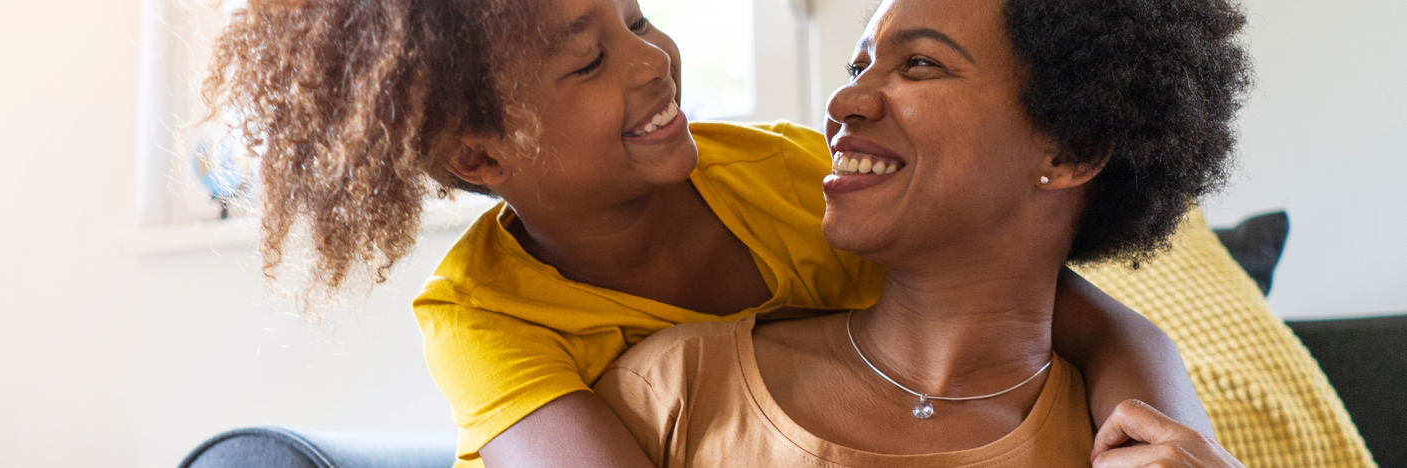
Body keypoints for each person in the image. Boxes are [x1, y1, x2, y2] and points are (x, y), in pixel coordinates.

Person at [203, 0, 1211, 466]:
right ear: (480, 157)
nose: (650, 61)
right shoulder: (484, 318)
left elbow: (1093, 324)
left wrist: (1170, 441)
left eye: (637, 20)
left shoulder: (785, 179)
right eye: (586, 62)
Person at [593, 0, 1252, 465]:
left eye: (918, 65)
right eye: (859, 67)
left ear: (1069, 151)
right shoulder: (676, 386)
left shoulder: (1137, 448)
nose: (843, 102)